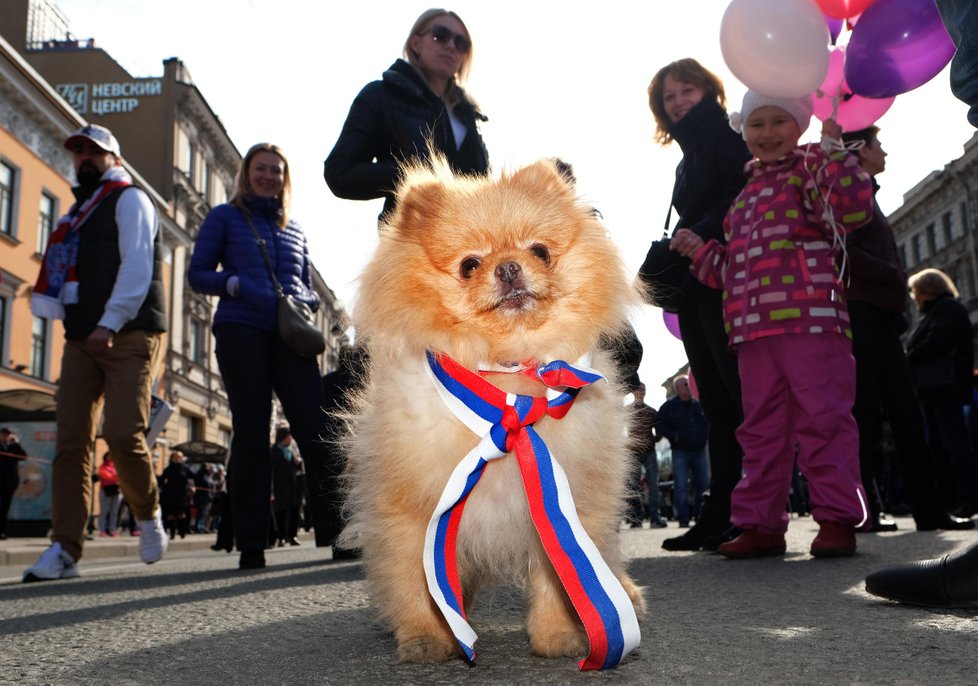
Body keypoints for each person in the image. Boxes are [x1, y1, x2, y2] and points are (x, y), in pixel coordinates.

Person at [672, 92, 875, 558]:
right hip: (752, 334)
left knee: (824, 421)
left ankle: (837, 518)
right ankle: (760, 523)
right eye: (756, 124)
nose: (767, 133)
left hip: (812, 324)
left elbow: (852, 208)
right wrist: (700, 253)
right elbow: (731, 273)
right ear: (743, 131)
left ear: (799, 124)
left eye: (778, 121)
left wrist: (833, 153)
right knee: (760, 429)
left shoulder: (812, 170)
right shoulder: (742, 200)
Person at [23, 124, 168, 582]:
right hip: (82, 339)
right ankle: (64, 548)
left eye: (95, 152)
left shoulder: (131, 200)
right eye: (79, 151)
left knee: (123, 434)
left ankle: (147, 515)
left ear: (115, 159)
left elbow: (138, 266)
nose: (85, 158)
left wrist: (110, 320)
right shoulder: (77, 215)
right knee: (70, 443)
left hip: (128, 332)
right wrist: (89, 326)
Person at [188, 142, 343, 570]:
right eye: (262, 168)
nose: (269, 176)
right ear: (247, 173)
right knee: (252, 433)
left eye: (276, 170)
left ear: (284, 178)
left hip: (290, 335)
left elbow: (307, 280)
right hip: (241, 329)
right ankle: (251, 543)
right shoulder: (225, 217)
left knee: (316, 428)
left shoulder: (294, 227)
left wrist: (303, 299)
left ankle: (339, 534)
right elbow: (198, 274)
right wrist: (235, 285)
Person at [842, 127, 975, 533]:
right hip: (862, 312)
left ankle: (927, 509)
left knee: (903, 413)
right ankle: (864, 512)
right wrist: (896, 278)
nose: (884, 150)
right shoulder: (850, 192)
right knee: (867, 413)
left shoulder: (866, 190)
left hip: (878, 313)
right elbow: (842, 247)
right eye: (878, 144)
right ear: (860, 150)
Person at [646, 59, 751, 551]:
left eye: (687, 90)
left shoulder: (728, 136)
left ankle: (748, 509)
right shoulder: (686, 157)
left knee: (736, 395)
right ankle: (721, 510)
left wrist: (703, 229)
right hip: (695, 283)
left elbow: (744, 195)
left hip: (725, 276)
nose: (679, 101)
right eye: (669, 97)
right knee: (717, 400)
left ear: (709, 90)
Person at [324, 8, 489, 221]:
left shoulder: (469, 115)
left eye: (461, 43)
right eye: (440, 35)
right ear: (416, 43)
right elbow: (339, 173)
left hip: (468, 240)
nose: (450, 46)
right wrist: (411, 175)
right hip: (411, 240)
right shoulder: (380, 95)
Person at [906, 268, 978, 518]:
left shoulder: (947, 309)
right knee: (940, 445)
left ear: (928, 290)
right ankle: (954, 500)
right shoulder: (932, 313)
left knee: (954, 444)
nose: (914, 297)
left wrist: (908, 357)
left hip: (944, 386)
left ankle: (969, 498)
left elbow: (938, 341)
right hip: (933, 388)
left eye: (916, 291)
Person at [656, 375, 709, 528]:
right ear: (677, 388)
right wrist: (674, 436)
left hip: (699, 451)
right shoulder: (669, 407)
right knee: (681, 487)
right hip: (681, 452)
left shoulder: (699, 404)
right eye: (686, 384)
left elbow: (709, 421)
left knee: (702, 485)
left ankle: (700, 518)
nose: (689, 386)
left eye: (690, 383)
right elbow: (659, 425)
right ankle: (684, 519)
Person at [629, 384, 666, 528]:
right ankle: (636, 519)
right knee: (633, 486)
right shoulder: (627, 411)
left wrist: (652, 440)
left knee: (653, 486)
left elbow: (660, 431)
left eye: (643, 389)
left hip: (649, 452)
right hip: (633, 452)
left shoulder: (651, 411)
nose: (640, 392)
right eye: (638, 389)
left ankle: (655, 518)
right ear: (633, 391)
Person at [271, 426, 303, 547]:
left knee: (294, 511)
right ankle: (281, 537)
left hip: (293, 487)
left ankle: (293, 536)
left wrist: (298, 463)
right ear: (283, 437)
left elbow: (297, 468)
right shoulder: (273, 451)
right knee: (281, 513)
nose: (291, 438)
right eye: (289, 436)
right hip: (280, 487)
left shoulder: (291, 450)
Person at [159, 451, 193, 539]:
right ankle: (172, 533)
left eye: (179, 458)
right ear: (172, 458)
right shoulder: (168, 469)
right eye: (175, 457)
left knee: (181, 514)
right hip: (170, 495)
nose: (177, 459)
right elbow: (161, 480)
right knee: (170, 515)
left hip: (181, 495)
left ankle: (182, 531)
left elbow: (194, 477)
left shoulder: (185, 469)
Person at [0, 428, 27, 540]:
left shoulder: (13, 447)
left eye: (8, 435)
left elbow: (23, 457)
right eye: (4, 435)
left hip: (9, 483)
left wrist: (17, 443)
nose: (6, 437)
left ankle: (1, 531)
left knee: (4, 508)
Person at [96, 452, 121, 537]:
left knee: (114, 511)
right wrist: (116, 477)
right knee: (104, 511)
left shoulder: (116, 466)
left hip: (115, 490)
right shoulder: (103, 467)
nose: (110, 457)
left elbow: (120, 476)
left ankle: (112, 529)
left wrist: (116, 477)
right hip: (106, 490)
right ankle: (102, 530)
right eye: (109, 456)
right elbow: (106, 476)